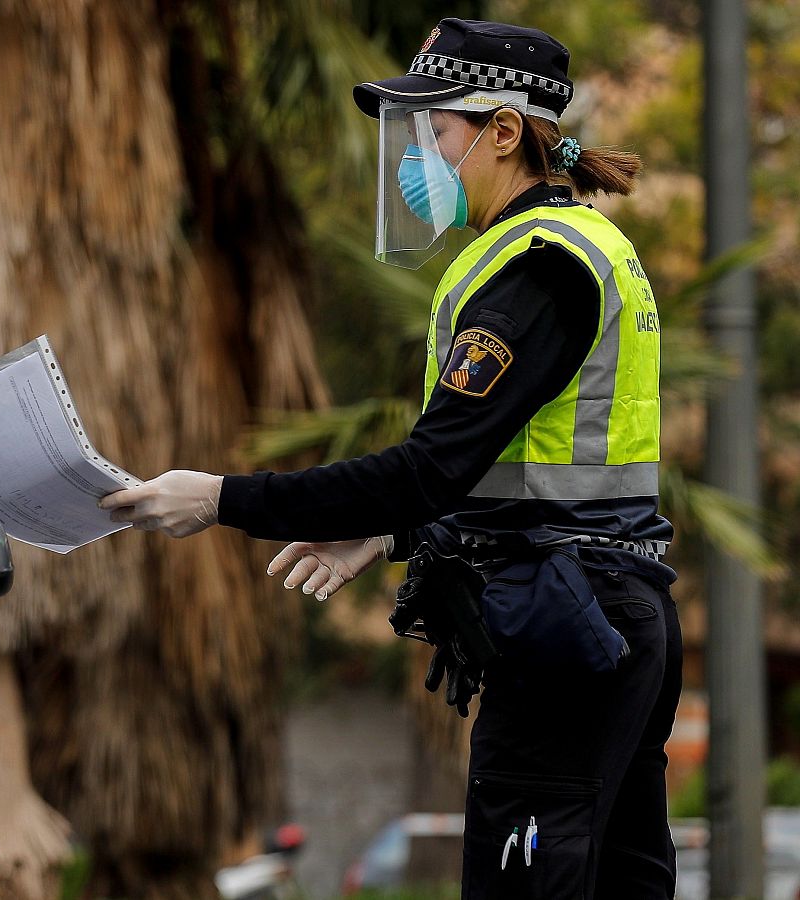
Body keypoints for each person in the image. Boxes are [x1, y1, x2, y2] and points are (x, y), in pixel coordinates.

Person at [99, 18, 680, 899]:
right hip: (612, 613)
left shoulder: (539, 269)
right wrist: (385, 538)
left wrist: (220, 497)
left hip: (573, 625)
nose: (418, 158)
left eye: (434, 132)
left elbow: (429, 468)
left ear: (504, 131)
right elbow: (521, 473)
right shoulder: (579, 250)